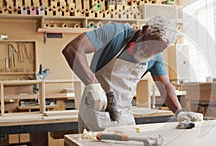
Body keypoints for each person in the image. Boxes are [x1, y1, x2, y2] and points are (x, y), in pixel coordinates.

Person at [62, 16, 202, 132]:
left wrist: (180, 112)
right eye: (151, 46)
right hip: (96, 111)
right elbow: (73, 49)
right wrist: (93, 86)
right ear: (145, 29)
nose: (151, 53)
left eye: (157, 51)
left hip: (124, 116)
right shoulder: (116, 33)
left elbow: (165, 86)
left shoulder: (155, 57)